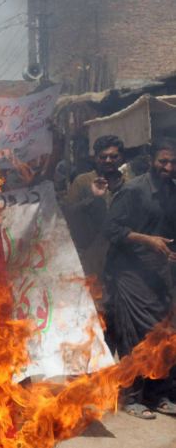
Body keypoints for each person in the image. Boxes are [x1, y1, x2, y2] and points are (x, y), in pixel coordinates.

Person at [104, 138, 176, 419]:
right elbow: (111, 229)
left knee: (165, 337)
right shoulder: (132, 191)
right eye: (163, 161)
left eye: (173, 163)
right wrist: (147, 240)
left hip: (159, 275)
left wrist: (169, 252)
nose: (168, 167)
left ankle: (157, 395)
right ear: (151, 161)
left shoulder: (172, 191)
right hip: (129, 274)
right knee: (136, 338)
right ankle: (131, 398)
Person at [64, 135, 126, 287]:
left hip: (125, 254)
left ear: (121, 157)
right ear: (95, 158)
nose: (108, 160)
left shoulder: (130, 182)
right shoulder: (82, 181)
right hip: (93, 253)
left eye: (113, 156)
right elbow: (68, 213)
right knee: (97, 300)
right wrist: (92, 198)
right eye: (103, 157)